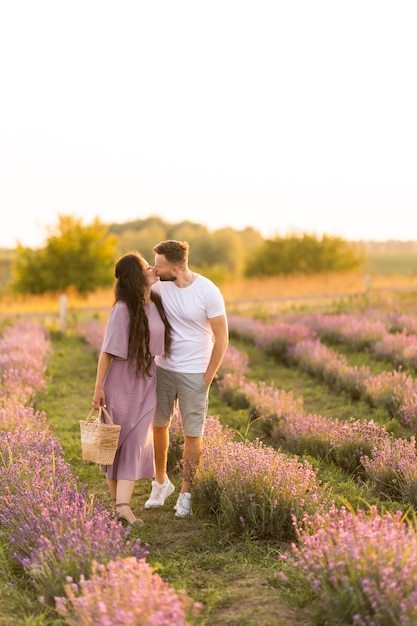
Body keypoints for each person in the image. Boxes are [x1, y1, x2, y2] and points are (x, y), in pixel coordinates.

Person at [144, 240, 228, 517]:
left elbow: (223, 338)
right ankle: (160, 483)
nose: (155, 268)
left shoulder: (207, 291)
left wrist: (208, 377)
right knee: (158, 426)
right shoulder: (158, 286)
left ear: (176, 268)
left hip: (195, 374)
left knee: (193, 434)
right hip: (163, 369)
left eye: (159, 265)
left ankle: (186, 493)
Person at [92, 252, 171, 525]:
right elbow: (106, 353)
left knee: (136, 441)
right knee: (115, 443)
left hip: (148, 379)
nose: (152, 269)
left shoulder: (157, 300)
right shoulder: (122, 309)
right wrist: (98, 388)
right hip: (121, 381)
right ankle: (120, 506)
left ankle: (122, 505)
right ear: (136, 276)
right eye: (146, 267)